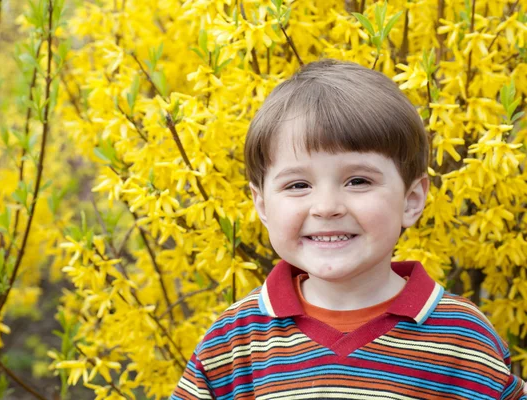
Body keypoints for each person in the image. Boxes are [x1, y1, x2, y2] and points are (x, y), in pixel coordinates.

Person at [171, 59, 526, 399]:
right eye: (297, 185)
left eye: (357, 181)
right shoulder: (234, 341)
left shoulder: (462, 337)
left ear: (411, 200)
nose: (326, 207)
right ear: (262, 205)